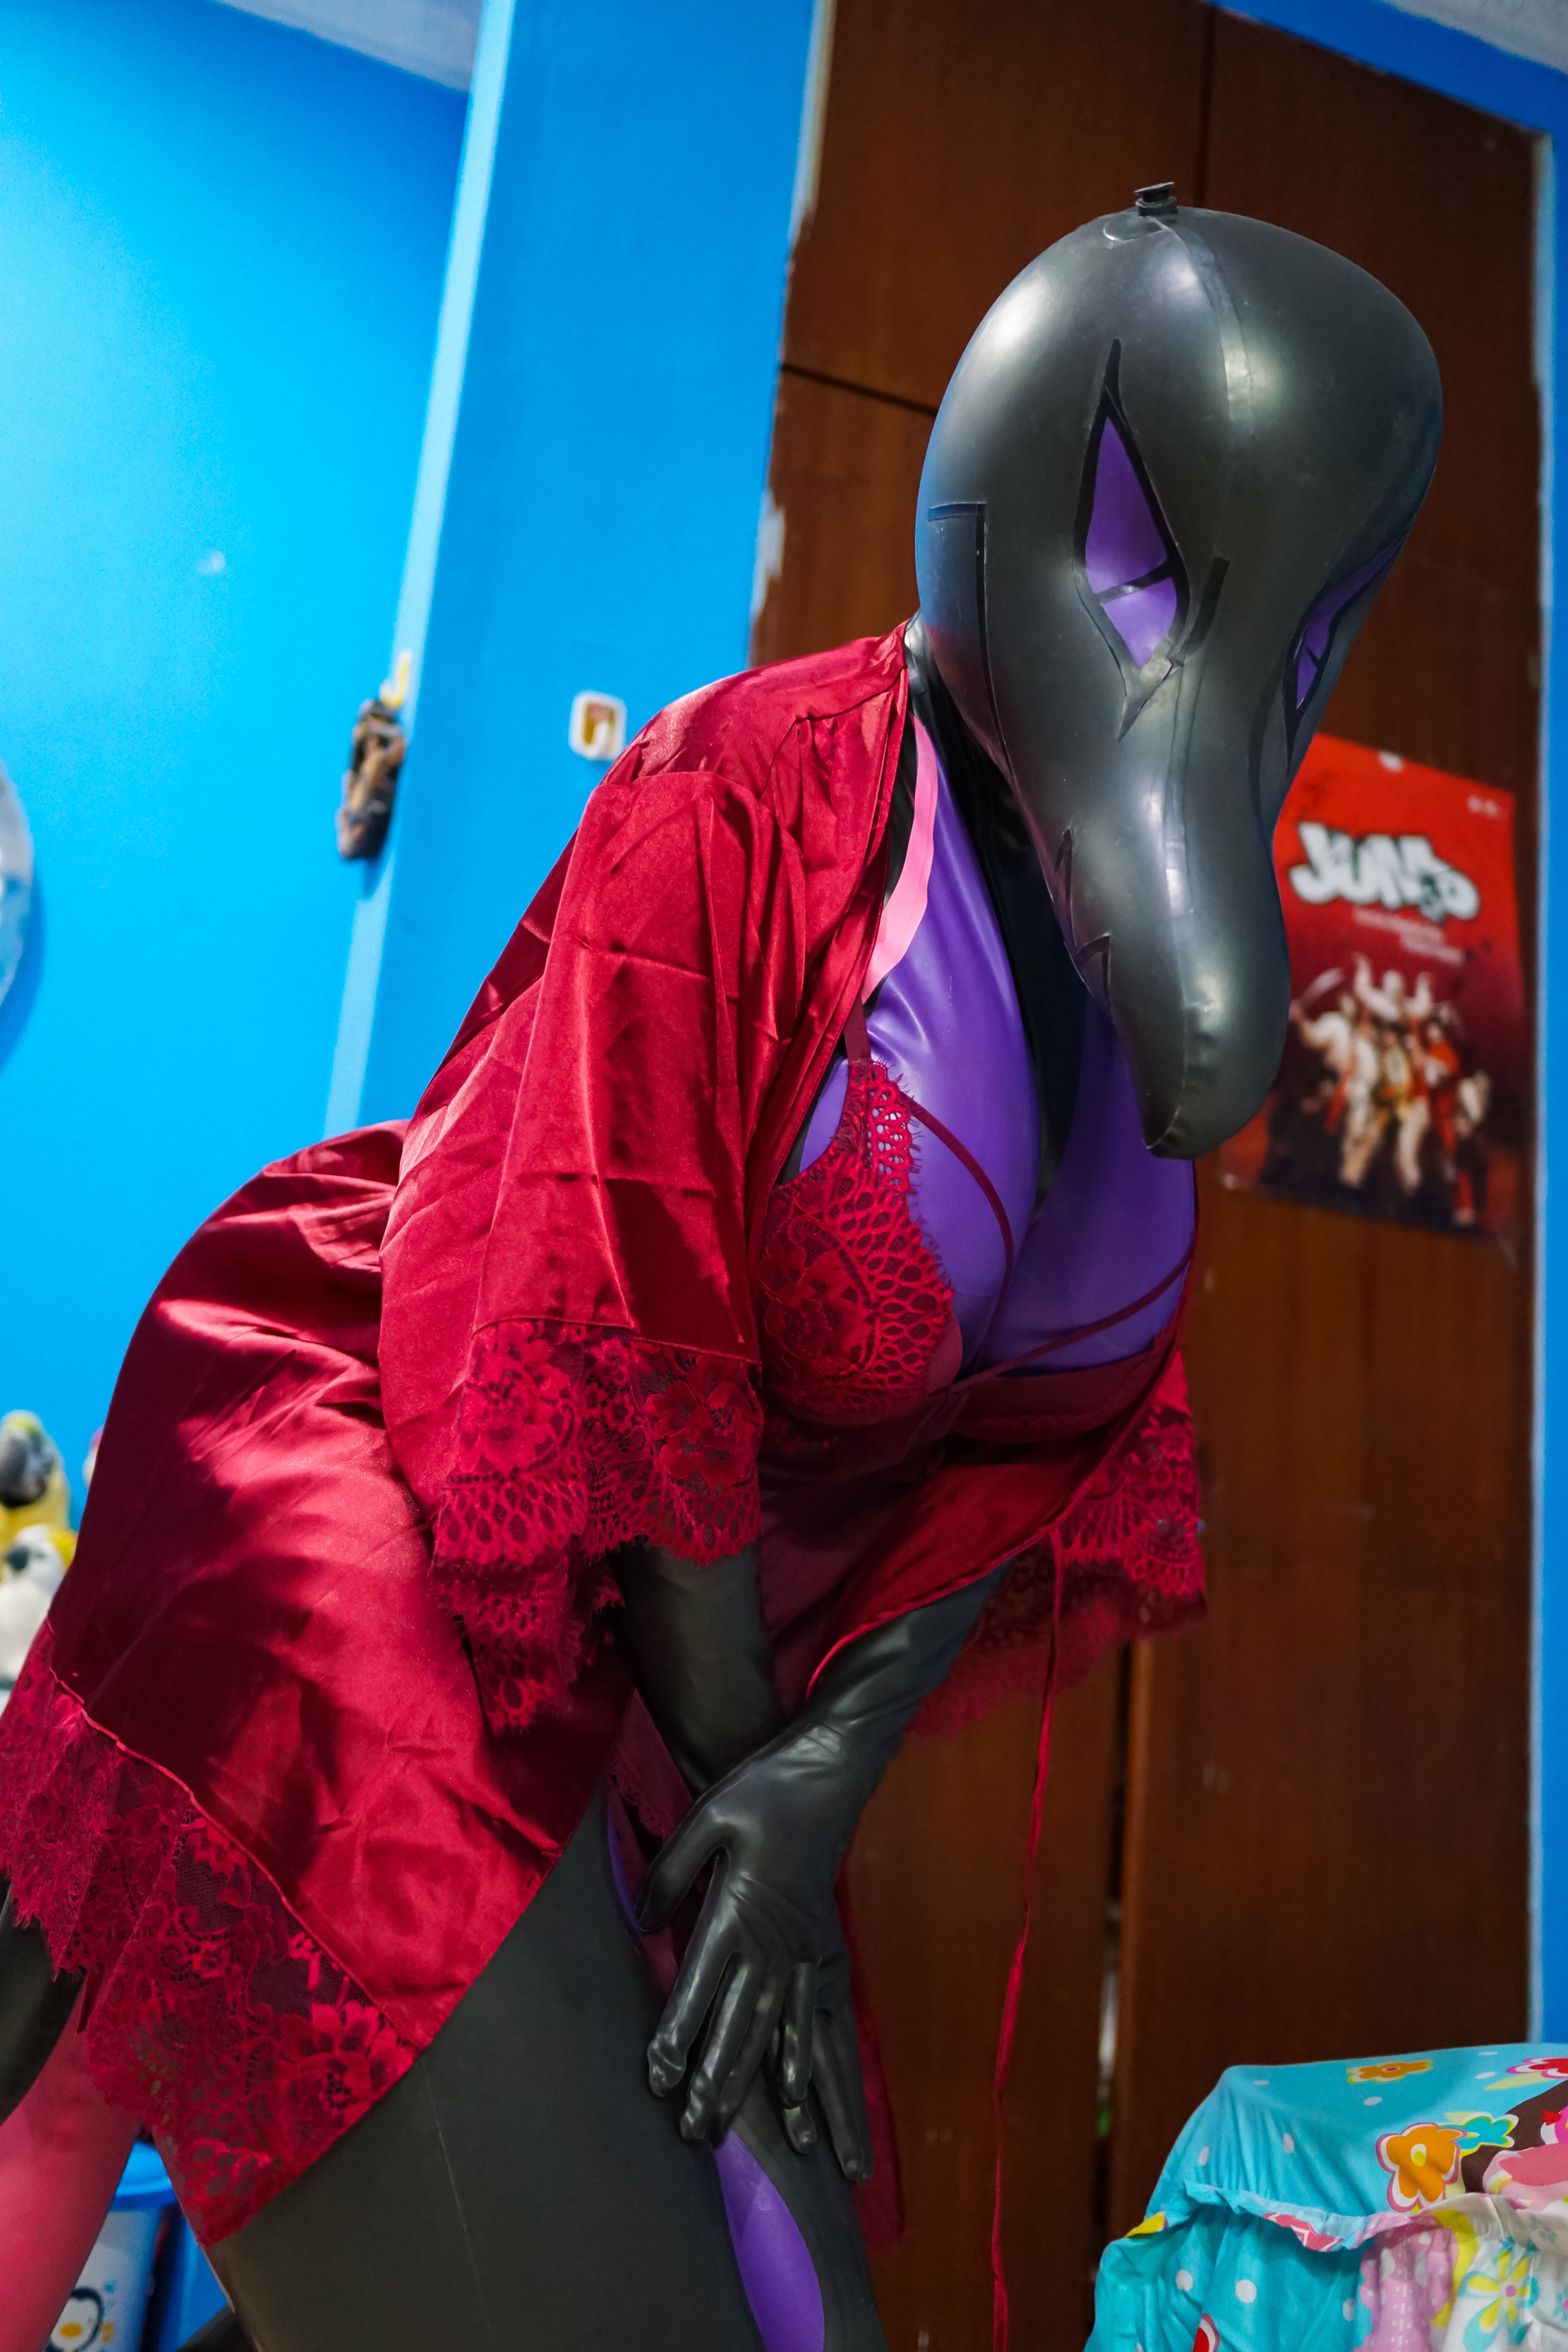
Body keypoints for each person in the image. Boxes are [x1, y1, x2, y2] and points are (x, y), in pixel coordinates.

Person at [0, 190, 1441, 2352]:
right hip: (394, 1499)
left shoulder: (1112, 1018)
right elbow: (619, 1307)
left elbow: (1030, 1468)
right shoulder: (746, 797)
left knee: (790, 2303)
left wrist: (812, 1784)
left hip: (694, 1712)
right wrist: (759, 1782)